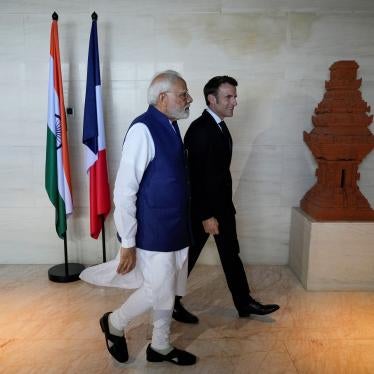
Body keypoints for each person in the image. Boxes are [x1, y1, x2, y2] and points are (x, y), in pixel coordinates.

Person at [81, 70, 196, 365]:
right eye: (183, 94)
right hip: (155, 231)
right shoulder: (143, 129)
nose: (188, 99)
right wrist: (128, 240)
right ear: (162, 98)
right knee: (157, 289)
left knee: (167, 289)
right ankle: (115, 323)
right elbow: (124, 190)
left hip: (175, 228)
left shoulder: (171, 126)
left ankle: (159, 345)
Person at [172, 76, 280, 324]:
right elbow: (195, 178)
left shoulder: (219, 125)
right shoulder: (200, 130)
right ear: (212, 99)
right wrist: (206, 216)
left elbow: (218, 172)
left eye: (235, 96)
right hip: (205, 210)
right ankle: (169, 302)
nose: (235, 102)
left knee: (231, 254)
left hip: (222, 207)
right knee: (186, 260)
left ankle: (244, 303)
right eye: (228, 97)